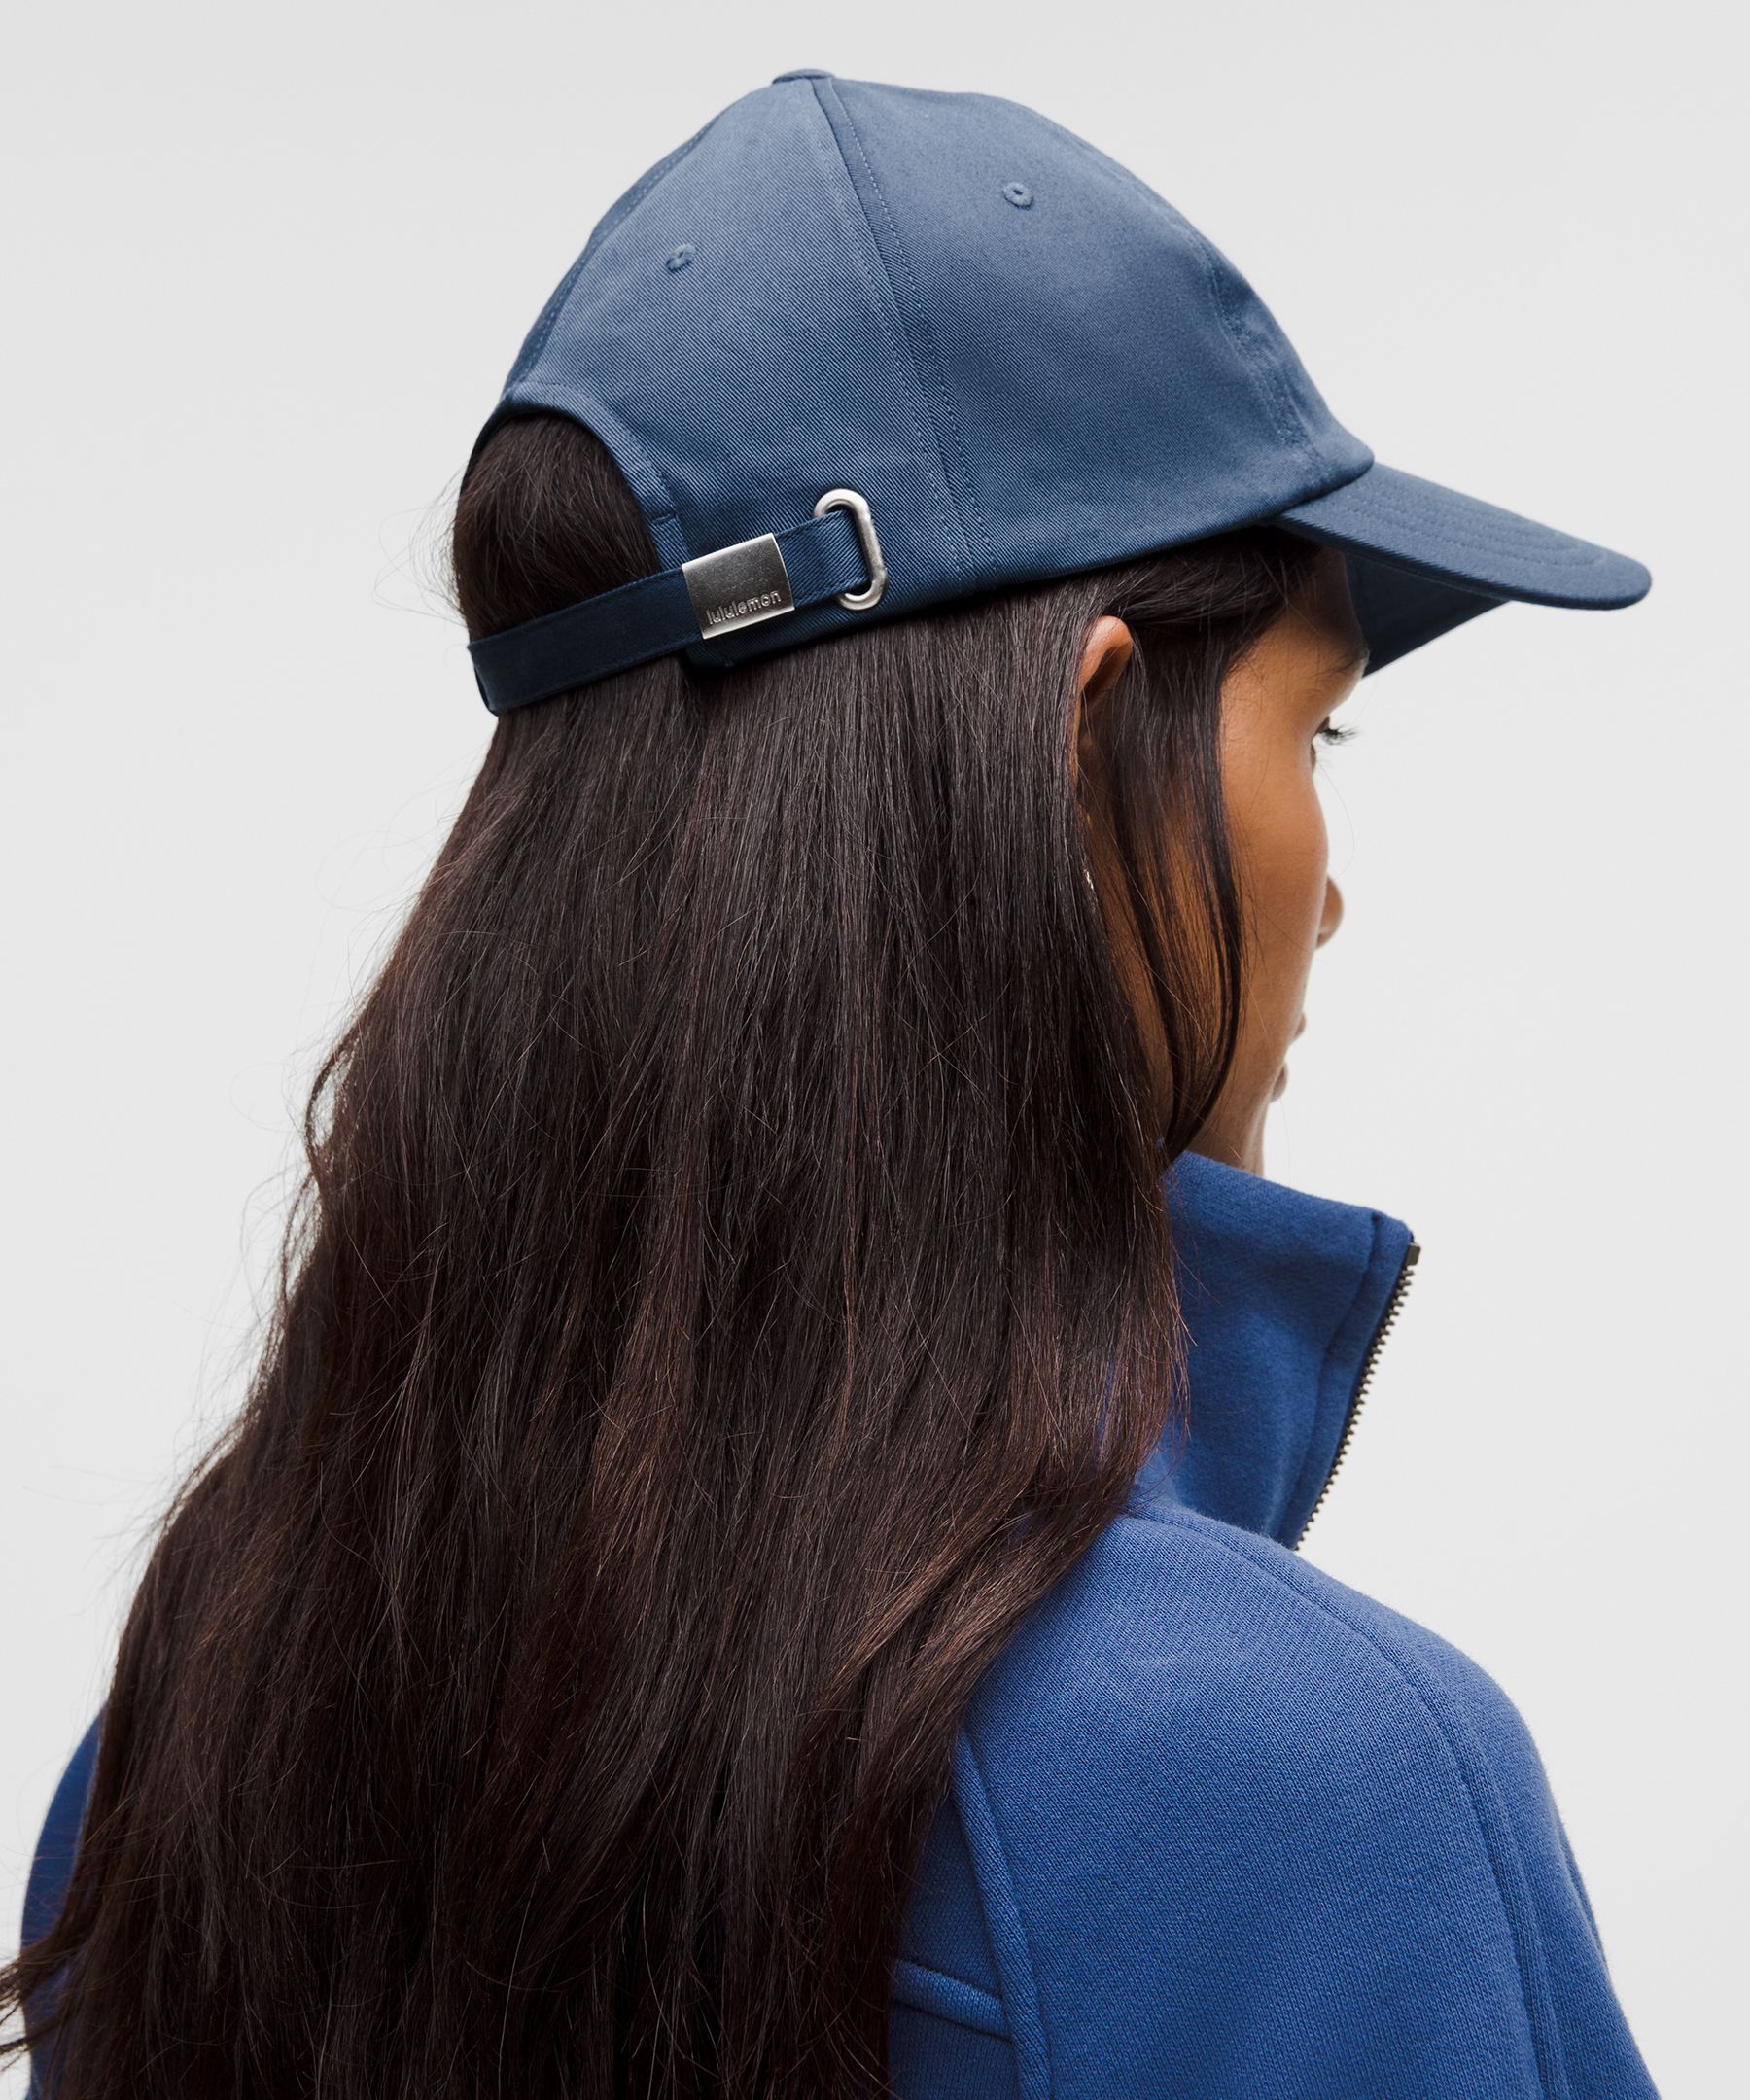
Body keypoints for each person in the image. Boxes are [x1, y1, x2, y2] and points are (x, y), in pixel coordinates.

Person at [4, 67, 1662, 2100]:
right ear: (1086, 764)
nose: (1331, 892)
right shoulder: (1299, 1811)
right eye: (1318, 736)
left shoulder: (183, 1779)